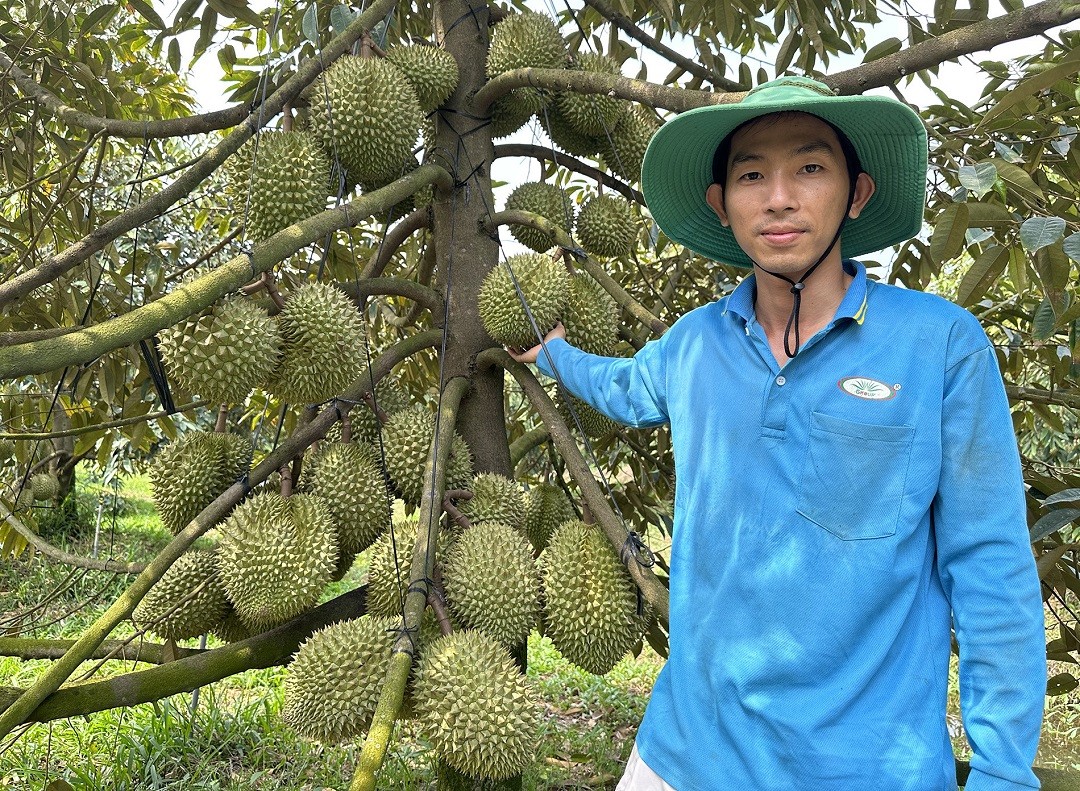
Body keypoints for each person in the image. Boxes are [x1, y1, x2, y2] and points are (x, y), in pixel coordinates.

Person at [510, 77, 1046, 790]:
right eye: (752, 174)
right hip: (685, 751)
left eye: (810, 168)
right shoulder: (694, 342)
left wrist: (1005, 773)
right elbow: (626, 389)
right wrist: (552, 355)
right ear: (721, 206)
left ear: (855, 194)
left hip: (865, 767)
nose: (780, 197)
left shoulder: (941, 345)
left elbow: (992, 571)